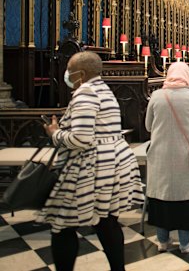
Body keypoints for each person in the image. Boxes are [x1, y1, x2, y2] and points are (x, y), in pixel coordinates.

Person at [40, 52, 144, 271]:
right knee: (106, 221)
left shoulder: (85, 92)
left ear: (81, 73)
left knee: (63, 222)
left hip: (93, 166)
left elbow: (81, 138)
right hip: (112, 161)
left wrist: (54, 133)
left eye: (69, 69)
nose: (66, 73)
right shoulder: (103, 89)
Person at [145, 62, 189, 253]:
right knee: (184, 199)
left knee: (162, 198)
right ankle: (184, 243)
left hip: (160, 156)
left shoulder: (156, 96)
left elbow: (148, 126)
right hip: (185, 157)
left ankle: (163, 242)